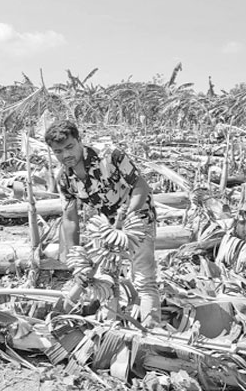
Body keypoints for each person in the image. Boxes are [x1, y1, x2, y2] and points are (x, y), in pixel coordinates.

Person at [44, 120, 160, 326]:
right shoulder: (64, 178)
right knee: (104, 277)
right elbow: (70, 217)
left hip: (137, 217)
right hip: (105, 225)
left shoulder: (110, 156)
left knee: (143, 277)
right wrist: (76, 258)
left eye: (70, 147)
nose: (66, 155)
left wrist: (126, 218)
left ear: (79, 141)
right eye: (58, 151)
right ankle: (110, 325)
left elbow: (141, 186)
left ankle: (152, 328)